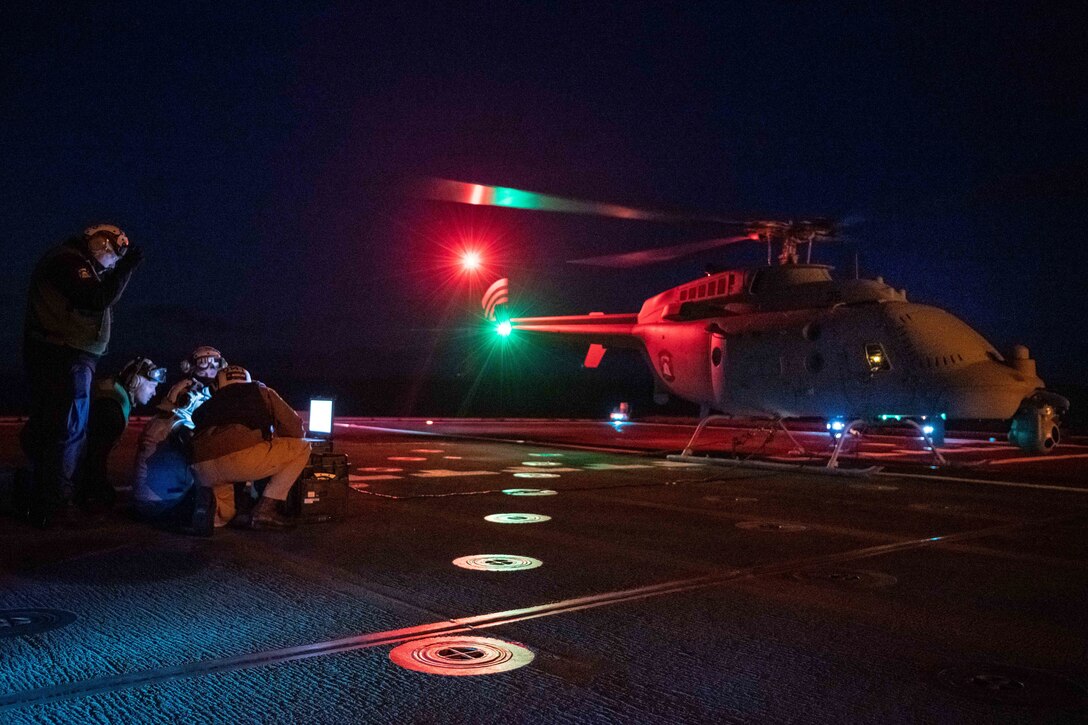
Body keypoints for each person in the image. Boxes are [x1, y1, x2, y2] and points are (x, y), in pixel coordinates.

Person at [20, 223, 144, 527]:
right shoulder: (68, 261)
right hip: (64, 354)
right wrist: (126, 268)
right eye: (114, 255)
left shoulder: (77, 264)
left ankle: (41, 498)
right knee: (68, 427)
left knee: (56, 424)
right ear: (100, 243)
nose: (114, 262)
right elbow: (96, 298)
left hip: (69, 355)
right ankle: (56, 504)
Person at [189, 365, 310, 534]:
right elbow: (295, 430)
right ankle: (265, 510)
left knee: (226, 516)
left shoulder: (207, 404)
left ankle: (206, 512)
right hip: (237, 461)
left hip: (200, 467)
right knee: (302, 446)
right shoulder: (260, 391)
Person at [75, 357, 165, 510]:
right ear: (136, 382)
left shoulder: (111, 392)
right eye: (152, 386)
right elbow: (93, 456)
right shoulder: (112, 410)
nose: (154, 392)